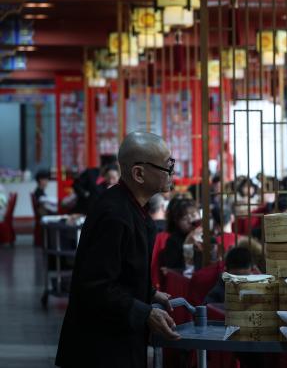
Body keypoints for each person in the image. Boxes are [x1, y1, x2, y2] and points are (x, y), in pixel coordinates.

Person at [56, 131, 179, 368]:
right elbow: (95, 286)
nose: (172, 171)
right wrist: (145, 313)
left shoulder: (133, 207)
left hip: (119, 337)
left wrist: (149, 293)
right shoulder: (114, 214)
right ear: (139, 173)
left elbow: (120, 268)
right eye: (166, 165)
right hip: (99, 347)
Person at [160, 196, 199, 270]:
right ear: (176, 221)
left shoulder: (205, 235)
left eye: (193, 215)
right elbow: (180, 270)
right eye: (184, 218)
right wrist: (188, 244)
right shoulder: (173, 241)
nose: (190, 221)